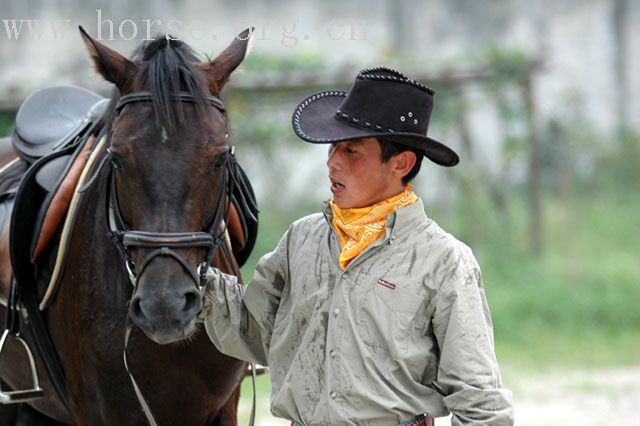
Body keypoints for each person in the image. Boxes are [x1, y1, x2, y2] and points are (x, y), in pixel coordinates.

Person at [200, 67, 514, 425]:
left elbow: (479, 398)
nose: (332, 161)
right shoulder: (301, 240)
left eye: (351, 150)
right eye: (334, 146)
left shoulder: (444, 261)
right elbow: (255, 331)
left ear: (401, 163)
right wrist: (189, 277)